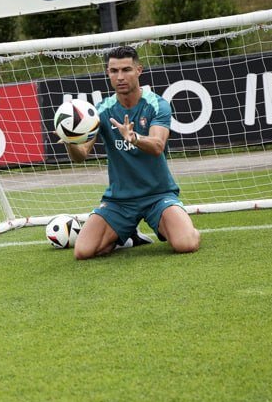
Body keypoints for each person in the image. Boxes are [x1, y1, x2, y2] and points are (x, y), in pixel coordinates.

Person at [64, 45, 200, 259]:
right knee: (83, 252)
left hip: (158, 196)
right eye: (114, 71)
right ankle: (127, 235)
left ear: (139, 70)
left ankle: (176, 225)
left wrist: (134, 138)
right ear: (107, 73)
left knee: (186, 244)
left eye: (126, 69)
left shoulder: (157, 105)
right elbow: (81, 154)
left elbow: (157, 146)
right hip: (120, 200)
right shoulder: (101, 111)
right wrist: (69, 140)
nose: (120, 77)